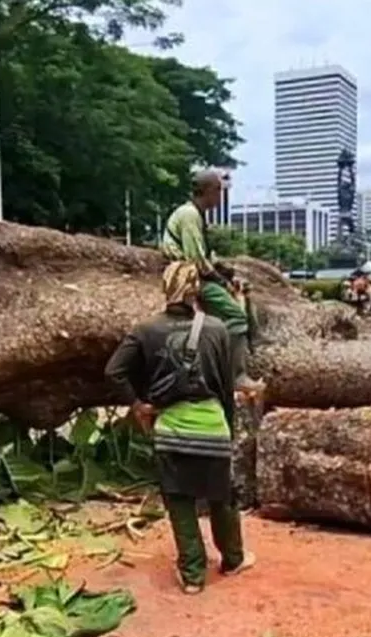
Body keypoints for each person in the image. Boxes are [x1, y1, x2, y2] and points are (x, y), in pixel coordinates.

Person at [104, 261, 256, 594]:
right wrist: (227, 430)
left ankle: (192, 577)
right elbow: (226, 385)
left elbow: (114, 371)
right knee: (221, 496)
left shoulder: (146, 330)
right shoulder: (217, 329)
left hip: (171, 428)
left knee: (179, 499)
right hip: (212, 426)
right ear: (197, 290)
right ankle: (233, 560)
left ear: (164, 288)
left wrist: (138, 404)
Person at [160, 170, 263, 395]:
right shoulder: (189, 215)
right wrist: (221, 281)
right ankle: (237, 375)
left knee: (244, 297)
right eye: (218, 191)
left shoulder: (196, 214)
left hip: (196, 272)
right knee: (236, 316)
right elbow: (196, 259)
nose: (220, 197)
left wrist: (228, 273)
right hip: (187, 277)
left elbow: (208, 255)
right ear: (208, 191)